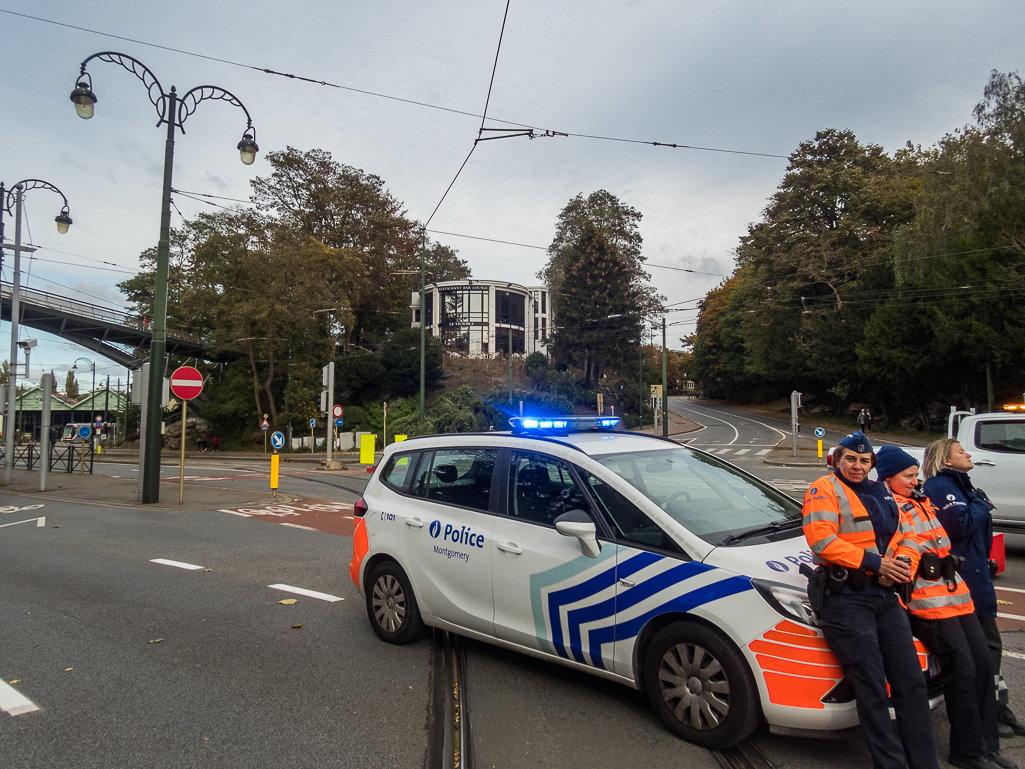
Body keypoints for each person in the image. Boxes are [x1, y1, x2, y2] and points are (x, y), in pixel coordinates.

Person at [803, 431, 940, 769]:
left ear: (872, 464)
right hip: (847, 600)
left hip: (885, 596)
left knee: (911, 683)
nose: (857, 465)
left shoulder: (881, 491)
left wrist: (902, 565)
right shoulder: (824, 488)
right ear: (837, 459)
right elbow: (822, 541)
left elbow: (906, 536)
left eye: (864, 460)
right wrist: (876, 564)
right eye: (850, 458)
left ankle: (925, 763)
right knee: (872, 689)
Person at [877, 446, 1015, 769]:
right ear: (888, 479)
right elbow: (900, 553)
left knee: (982, 665)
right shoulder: (889, 508)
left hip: (955, 595)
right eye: (907, 476)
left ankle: (987, 747)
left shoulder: (921, 501)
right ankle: (967, 752)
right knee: (962, 669)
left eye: (915, 475)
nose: (914, 481)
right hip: (928, 601)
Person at [924, 438, 1025, 738]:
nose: (968, 454)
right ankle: (990, 714)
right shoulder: (942, 487)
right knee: (986, 648)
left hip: (976, 574)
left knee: (990, 649)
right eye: (960, 452)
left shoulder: (961, 485)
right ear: (945, 459)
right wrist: (981, 504)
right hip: (964, 579)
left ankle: (998, 709)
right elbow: (958, 526)